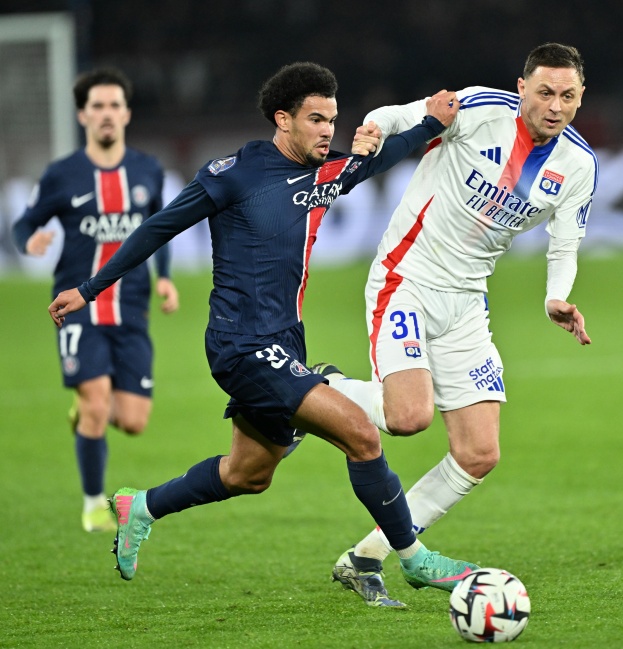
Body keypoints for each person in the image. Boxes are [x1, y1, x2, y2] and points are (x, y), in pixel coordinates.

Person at [47, 61, 477, 608]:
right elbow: (158, 227)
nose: (327, 130)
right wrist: (90, 289)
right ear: (283, 119)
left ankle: (143, 507)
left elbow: (380, 160)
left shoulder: (325, 174)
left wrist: (430, 125)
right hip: (241, 345)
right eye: (316, 119)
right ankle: (414, 559)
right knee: (361, 434)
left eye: (332, 120)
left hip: (285, 341)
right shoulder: (233, 174)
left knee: (248, 474)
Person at [307, 43, 597, 603]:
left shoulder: (578, 165)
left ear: (581, 97)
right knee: (408, 417)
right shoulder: (481, 108)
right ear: (522, 88)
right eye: (544, 92)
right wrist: (371, 130)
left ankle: (366, 556)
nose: (555, 106)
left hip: (467, 302)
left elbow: (566, 243)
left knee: (478, 453)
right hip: (406, 279)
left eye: (567, 96)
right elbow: (401, 116)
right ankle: (316, 390)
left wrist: (555, 298)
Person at [13, 67, 179, 533]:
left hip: (131, 308)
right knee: (96, 403)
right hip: (77, 308)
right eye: (97, 106)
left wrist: (165, 279)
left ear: (126, 113)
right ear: (83, 115)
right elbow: (24, 223)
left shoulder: (147, 170)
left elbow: (160, 229)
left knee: (133, 421)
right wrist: (28, 241)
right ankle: (92, 505)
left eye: (114, 105)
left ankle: (86, 409)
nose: (106, 113)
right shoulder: (62, 174)